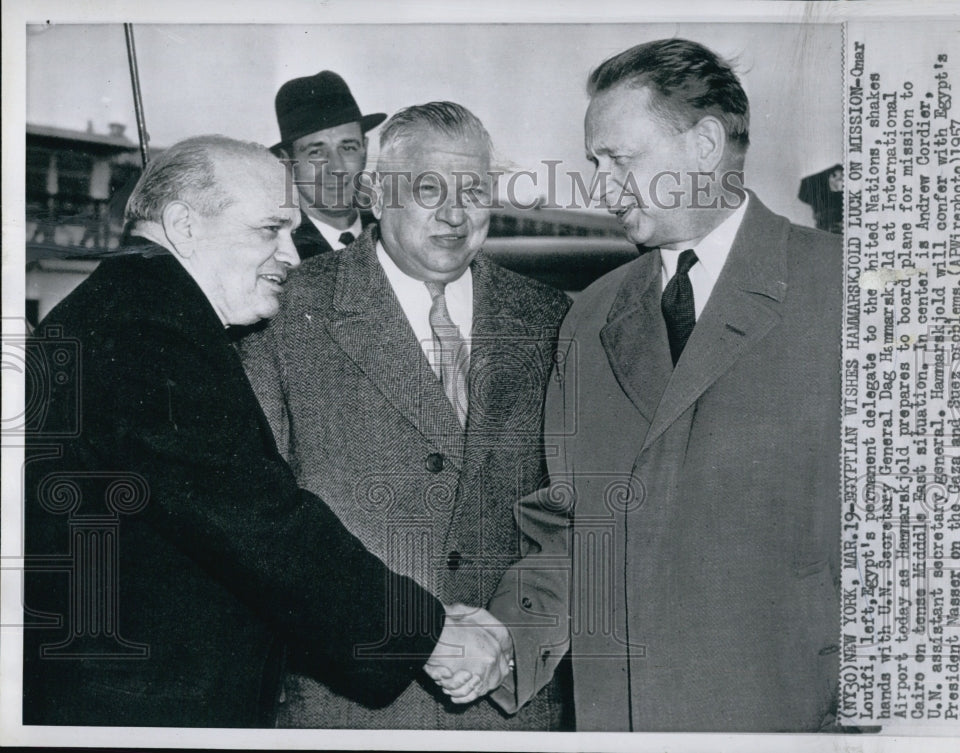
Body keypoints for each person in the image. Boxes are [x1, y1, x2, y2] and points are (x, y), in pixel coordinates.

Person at [21, 135, 487, 728]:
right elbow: (258, 521)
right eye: (269, 229)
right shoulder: (149, 329)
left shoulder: (135, 306)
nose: (292, 255)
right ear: (184, 226)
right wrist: (430, 635)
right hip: (141, 707)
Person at [507, 38, 843, 732]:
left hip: (787, 714)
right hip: (622, 719)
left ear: (705, 144)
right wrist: (505, 639)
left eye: (620, 161)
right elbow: (571, 529)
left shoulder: (846, 287)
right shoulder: (591, 316)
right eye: (595, 165)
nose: (601, 189)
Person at [239, 102, 572, 730]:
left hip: (515, 709)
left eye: (472, 190)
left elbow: (574, 510)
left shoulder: (550, 319)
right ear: (373, 191)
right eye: (427, 190)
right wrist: (418, 636)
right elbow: (259, 524)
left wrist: (514, 631)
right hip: (345, 711)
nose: (454, 214)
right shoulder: (285, 315)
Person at [271, 70, 383, 260]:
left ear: (364, 149)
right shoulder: (278, 254)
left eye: (348, 147)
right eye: (316, 152)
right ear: (287, 162)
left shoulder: (392, 235)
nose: (337, 168)